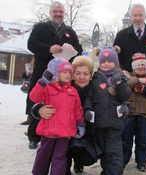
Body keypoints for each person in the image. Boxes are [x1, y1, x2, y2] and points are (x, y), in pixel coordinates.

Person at [26, 1, 82, 149]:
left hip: (63, 77)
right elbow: (31, 44)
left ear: (64, 14)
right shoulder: (40, 28)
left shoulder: (70, 31)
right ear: (50, 13)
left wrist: (72, 50)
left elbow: (79, 49)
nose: (58, 14)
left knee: (58, 105)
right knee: (37, 101)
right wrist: (49, 48)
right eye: (55, 11)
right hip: (43, 73)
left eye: (60, 12)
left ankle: (58, 131)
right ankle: (33, 136)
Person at [113, 3, 146, 163]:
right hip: (128, 84)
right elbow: (116, 58)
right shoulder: (121, 35)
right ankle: (124, 152)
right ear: (131, 17)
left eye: (140, 15)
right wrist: (124, 74)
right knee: (127, 121)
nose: (138, 18)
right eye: (135, 15)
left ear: (145, 16)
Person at [30, 57, 85, 175]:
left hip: (65, 131)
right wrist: (42, 82)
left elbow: (78, 109)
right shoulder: (47, 88)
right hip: (49, 130)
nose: (68, 75)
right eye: (64, 72)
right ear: (55, 73)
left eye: (69, 72)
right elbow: (34, 97)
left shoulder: (72, 91)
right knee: (43, 155)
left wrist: (80, 123)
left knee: (60, 157)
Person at [83, 46, 132, 175]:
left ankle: (114, 172)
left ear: (115, 62)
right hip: (98, 122)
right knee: (104, 150)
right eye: (103, 61)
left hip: (114, 122)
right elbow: (89, 97)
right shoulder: (95, 79)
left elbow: (126, 96)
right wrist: (87, 109)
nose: (106, 64)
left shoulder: (120, 77)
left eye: (109, 61)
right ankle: (107, 171)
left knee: (114, 151)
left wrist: (119, 83)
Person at [122, 52, 146, 172]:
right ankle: (123, 159)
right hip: (130, 113)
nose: (142, 71)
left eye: (144, 69)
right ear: (134, 68)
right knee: (126, 138)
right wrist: (138, 81)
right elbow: (125, 87)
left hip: (144, 115)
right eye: (139, 69)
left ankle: (141, 161)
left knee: (143, 139)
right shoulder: (128, 77)